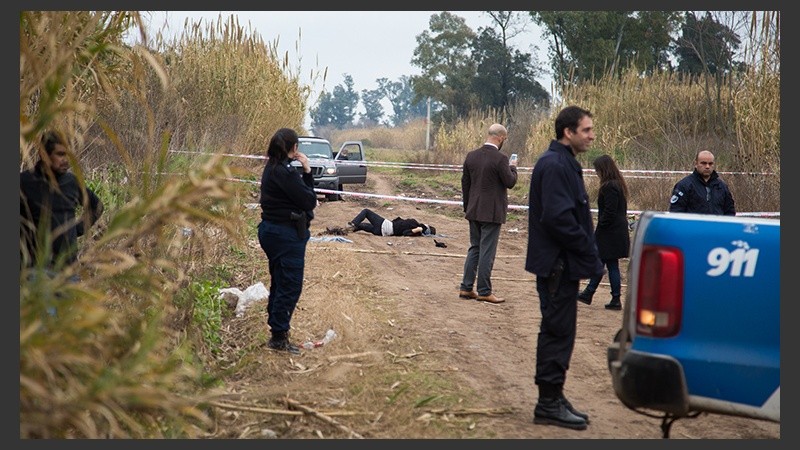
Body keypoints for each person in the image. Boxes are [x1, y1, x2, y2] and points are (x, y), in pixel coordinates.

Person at [525, 106, 604, 430]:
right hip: (558, 265)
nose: (591, 135)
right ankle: (547, 403)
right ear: (568, 132)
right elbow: (558, 219)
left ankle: (554, 396)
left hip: (562, 265)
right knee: (557, 334)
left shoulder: (561, 162)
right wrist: (589, 251)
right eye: (586, 130)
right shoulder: (556, 164)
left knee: (560, 332)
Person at [257, 128, 318, 355]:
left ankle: (277, 329)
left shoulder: (271, 168)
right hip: (286, 234)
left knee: (279, 281)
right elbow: (309, 200)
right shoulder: (285, 173)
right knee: (290, 285)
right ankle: (278, 336)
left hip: (271, 232)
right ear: (294, 148)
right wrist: (307, 171)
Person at [20, 130, 104, 271]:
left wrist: (77, 229)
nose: (66, 160)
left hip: (67, 271)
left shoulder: (71, 182)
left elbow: (97, 206)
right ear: (43, 155)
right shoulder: (24, 182)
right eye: (60, 154)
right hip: (35, 272)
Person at [458, 123, 518, 304]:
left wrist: (468, 207)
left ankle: (466, 288)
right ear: (500, 138)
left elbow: (465, 184)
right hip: (491, 212)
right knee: (487, 252)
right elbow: (510, 182)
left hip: (473, 209)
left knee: (474, 248)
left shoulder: (471, 156)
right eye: (504, 140)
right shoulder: (501, 159)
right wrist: (513, 167)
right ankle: (484, 290)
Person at [577, 155, 630, 310]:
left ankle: (609, 297)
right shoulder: (618, 184)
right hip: (615, 231)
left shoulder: (609, 186)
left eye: (597, 170)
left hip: (610, 232)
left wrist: (600, 228)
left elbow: (609, 212)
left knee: (608, 264)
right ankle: (593, 293)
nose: (596, 173)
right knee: (606, 263)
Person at [668, 150, 735, 215]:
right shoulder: (684, 186)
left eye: (710, 163)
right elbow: (676, 213)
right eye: (703, 163)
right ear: (696, 164)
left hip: (717, 226)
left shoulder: (722, 187)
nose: (707, 167)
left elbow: (730, 212)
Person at [347, 208, 435, 237]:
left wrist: (416, 229)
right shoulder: (415, 231)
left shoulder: (414, 224)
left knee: (366, 211)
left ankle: (353, 223)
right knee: (361, 226)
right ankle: (346, 230)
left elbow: (405, 233)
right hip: (380, 232)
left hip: (384, 225)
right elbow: (404, 232)